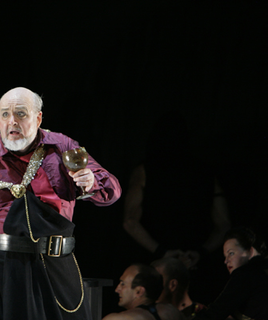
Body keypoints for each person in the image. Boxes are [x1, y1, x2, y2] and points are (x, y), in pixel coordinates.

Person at [0, 87, 122, 320]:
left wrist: (91, 182)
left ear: (38, 118)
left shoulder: (62, 146)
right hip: (0, 270)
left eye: (21, 114)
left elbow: (112, 191)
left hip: (56, 266)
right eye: (4, 115)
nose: (12, 121)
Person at [122, 111, 231, 302]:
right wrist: (200, 252)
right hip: (193, 261)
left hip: (157, 263)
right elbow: (223, 224)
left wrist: (162, 252)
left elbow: (130, 221)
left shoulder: (145, 170)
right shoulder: (206, 173)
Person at [192, 226, 268, 320]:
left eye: (231, 253)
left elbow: (215, 313)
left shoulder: (244, 274)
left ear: (250, 251)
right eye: (225, 256)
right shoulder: (261, 272)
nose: (226, 261)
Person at [103, 264, 183, 320]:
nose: (117, 290)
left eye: (123, 284)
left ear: (139, 291)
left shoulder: (118, 319)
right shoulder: (172, 312)